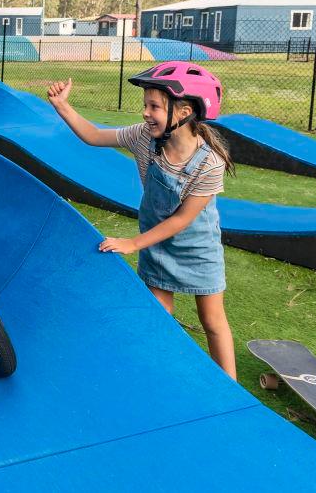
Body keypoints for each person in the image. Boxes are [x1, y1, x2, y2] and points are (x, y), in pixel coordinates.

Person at [47, 61, 237, 379]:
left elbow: (181, 220)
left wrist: (132, 243)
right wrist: (63, 107)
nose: (146, 113)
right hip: (156, 244)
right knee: (156, 315)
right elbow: (93, 136)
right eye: (145, 105)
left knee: (212, 321)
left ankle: (232, 390)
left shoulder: (210, 163)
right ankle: (158, 375)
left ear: (185, 112)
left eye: (154, 106)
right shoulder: (142, 138)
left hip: (196, 246)